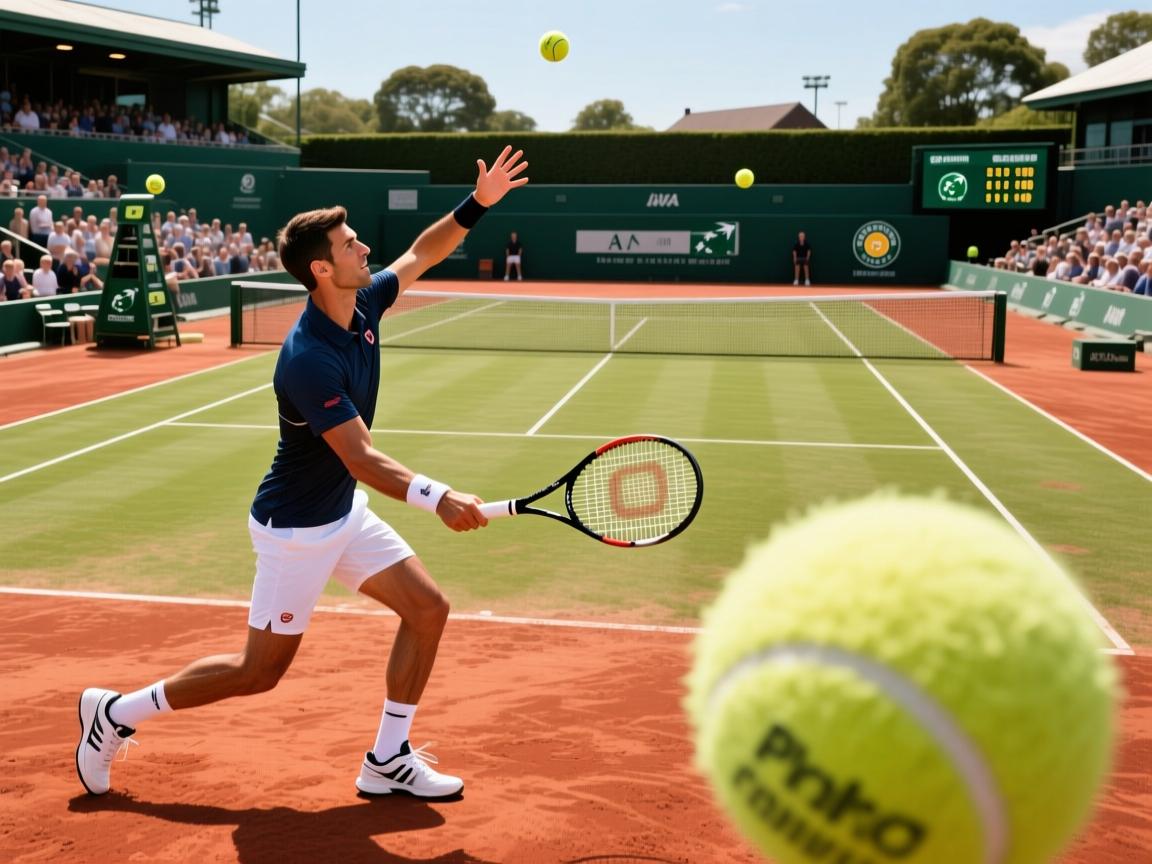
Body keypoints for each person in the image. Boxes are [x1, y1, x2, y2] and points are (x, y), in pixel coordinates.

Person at [75, 144, 530, 800]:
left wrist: (478, 204)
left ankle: (387, 758)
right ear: (322, 268)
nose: (364, 249)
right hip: (295, 530)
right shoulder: (307, 358)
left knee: (427, 609)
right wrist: (439, 498)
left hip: (342, 515)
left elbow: (421, 253)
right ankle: (113, 714)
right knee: (258, 672)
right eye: (350, 245)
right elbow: (361, 458)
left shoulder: (365, 303)